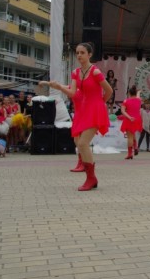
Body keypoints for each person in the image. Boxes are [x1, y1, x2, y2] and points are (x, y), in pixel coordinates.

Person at [41, 42, 112, 191]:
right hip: (83, 111)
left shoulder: (95, 72)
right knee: (79, 142)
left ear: (89, 55)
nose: (79, 55)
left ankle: (91, 179)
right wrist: (60, 87)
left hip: (94, 110)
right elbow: (73, 93)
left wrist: (100, 104)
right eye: (77, 53)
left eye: (82, 53)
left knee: (82, 143)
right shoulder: (75, 72)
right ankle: (91, 178)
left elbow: (109, 90)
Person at [120, 85, 143, 160]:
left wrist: (129, 117)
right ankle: (135, 146)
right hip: (137, 118)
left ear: (129, 93)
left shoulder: (126, 101)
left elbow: (123, 111)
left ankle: (130, 154)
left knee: (129, 137)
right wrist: (139, 92)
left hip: (129, 119)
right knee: (133, 133)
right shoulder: (139, 100)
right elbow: (138, 96)